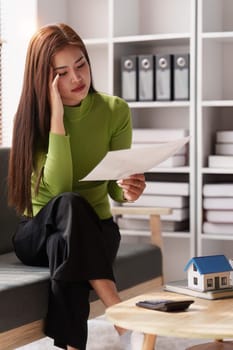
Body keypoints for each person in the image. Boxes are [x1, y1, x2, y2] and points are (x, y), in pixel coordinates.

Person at [8, 23, 146, 350]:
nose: (77, 78)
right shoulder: (30, 120)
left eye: (81, 64)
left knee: (64, 245)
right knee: (68, 204)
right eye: (63, 72)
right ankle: (117, 307)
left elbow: (113, 190)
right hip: (35, 232)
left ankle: (72, 347)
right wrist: (57, 117)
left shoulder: (114, 111)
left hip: (96, 233)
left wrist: (128, 189)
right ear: (45, 78)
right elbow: (58, 190)